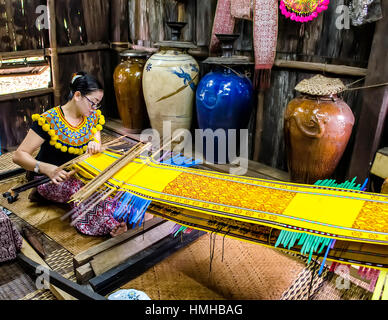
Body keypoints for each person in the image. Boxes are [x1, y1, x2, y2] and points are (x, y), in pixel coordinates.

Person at [13, 71, 127, 237]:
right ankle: (109, 225)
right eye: (93, 102)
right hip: (51, 178)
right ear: (78, 95)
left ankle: (120, 219)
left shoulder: (92, 117)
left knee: (112, 184)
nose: (94, 108)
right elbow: (19, 155)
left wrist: (96, 146)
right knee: (82, 190)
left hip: (81, 173)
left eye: (97, 104)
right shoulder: (49, 120)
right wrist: (46, 168)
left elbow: (96, 148)